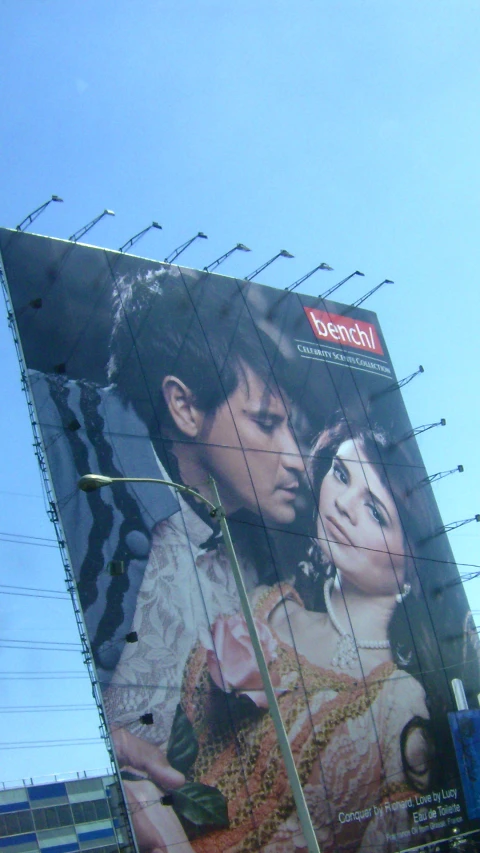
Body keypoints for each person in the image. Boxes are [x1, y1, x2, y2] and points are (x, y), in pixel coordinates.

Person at [177, 418, 476, 853]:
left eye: (375, 511)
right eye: (340, 475)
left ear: (412, 564)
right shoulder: (265, 606)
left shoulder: (398, 701)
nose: (341, 506)